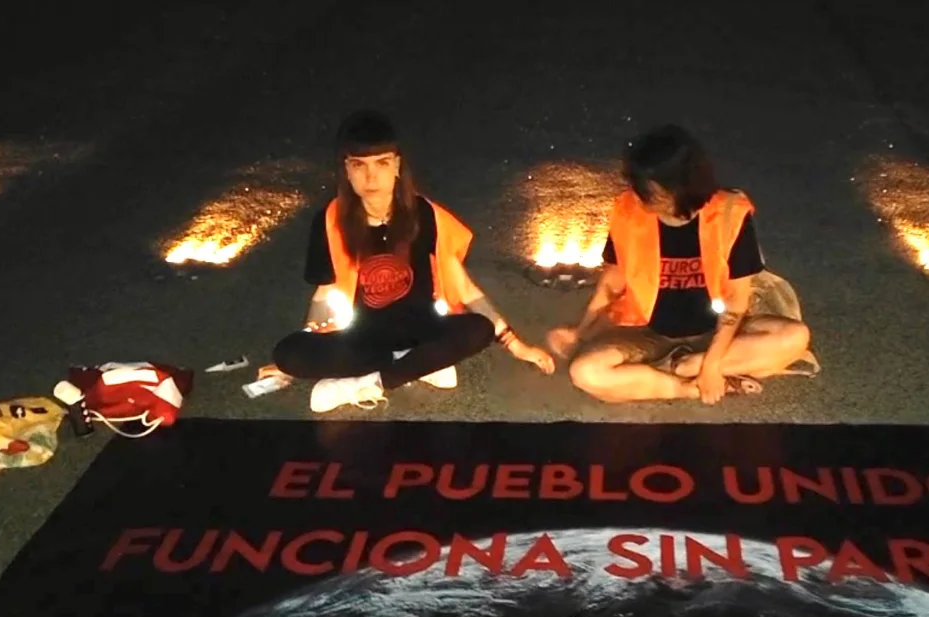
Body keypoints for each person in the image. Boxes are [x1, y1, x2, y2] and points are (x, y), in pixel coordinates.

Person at [272, 110, 554, 412]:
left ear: (397, 165)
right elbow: (324, 294)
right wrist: (307, 343)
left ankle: (371, 383)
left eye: (382, 163)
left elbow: (464, 286)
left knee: (478, 330)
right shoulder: (330, 221)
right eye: (359, 165)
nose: (371, 177)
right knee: (288, 354)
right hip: (365, 340)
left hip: (423, 328)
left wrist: (517, 346)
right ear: (347, 170)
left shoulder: (424, 214)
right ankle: (415, 366)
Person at [547, 124, 814, 405]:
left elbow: (737, 299)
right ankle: (687, 387)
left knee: (795, 336)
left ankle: (689, 367)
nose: (638, 195)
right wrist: (580, 330)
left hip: (720, 331)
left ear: (680, 186)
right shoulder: (628, 211)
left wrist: (711, 363)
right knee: (585, 373)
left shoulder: (729, 213)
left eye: (649, 189)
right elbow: (613, 283)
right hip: (649, 332)